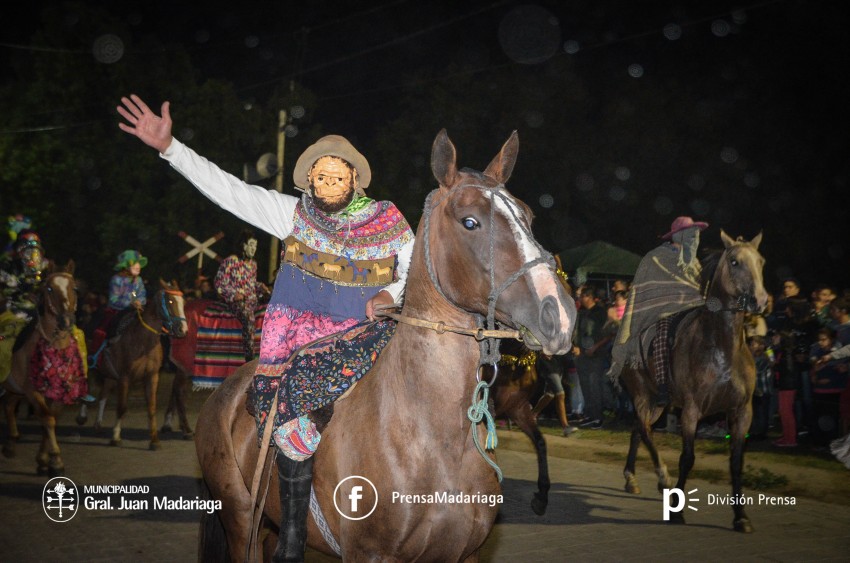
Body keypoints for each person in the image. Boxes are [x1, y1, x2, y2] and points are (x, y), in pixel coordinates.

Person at [118, 93, 415, 561]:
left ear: (356, 179)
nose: (329, 181)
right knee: (295, 412)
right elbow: (230, 189)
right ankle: (292, 538)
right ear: (310, 182)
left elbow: (413, 267)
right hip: (305, 340)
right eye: (321, 174)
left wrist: (391, 295)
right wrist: (171, 147)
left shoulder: (390, 221)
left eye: (339, 173)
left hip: (372, 334)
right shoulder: (290, 214)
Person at [608, 216, 708, 406]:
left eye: (697, 235)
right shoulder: (655, 258)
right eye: (691, 234)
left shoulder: (695, 263)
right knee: (663, 334)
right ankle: (662, 386)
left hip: (694, 311)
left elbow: (698, 288)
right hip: (664, 312)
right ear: (678, 236)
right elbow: (649, 289)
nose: (695, 238)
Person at [214, 229, 269, 360]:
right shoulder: (230, 261)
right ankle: (249, 357)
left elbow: (251, 284)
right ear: (243, 246)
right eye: (251, 245)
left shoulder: (253, 264)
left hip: (252, 300)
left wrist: (262, 288)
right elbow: (219, 283)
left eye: (255, 246)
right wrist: (234, 294)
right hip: (236, 302)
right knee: (249, 318)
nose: (253, 249)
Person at [90, 249, 148, 355]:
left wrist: (139, 302)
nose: (138, 266)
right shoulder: (116, 279)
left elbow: (142, 294)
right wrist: (129, 303)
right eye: (136, 263)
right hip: (117, 311)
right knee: (109, 328)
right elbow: (114, 299)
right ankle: (102, 351)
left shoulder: (138, 280)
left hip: (136, 310)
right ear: (126, 266)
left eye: (139, 264)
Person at [572, 283, 611, 428]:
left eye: (582, 296)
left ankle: (598, 417)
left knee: (595, 386)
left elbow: (609, 334)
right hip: (581, 355)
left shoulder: (600, 313)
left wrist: (595, 347)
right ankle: (589, 415)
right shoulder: (581, 313)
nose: (580, 299)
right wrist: (575, 346)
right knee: (585, 386)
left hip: (596, 356)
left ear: (588, 297)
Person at [532, 353, 578, 436]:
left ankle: (532, 415)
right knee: (560, 394)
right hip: (547, 365)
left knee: (549, 395)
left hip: (559, 366)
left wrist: (574, 349)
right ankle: (565, 426)